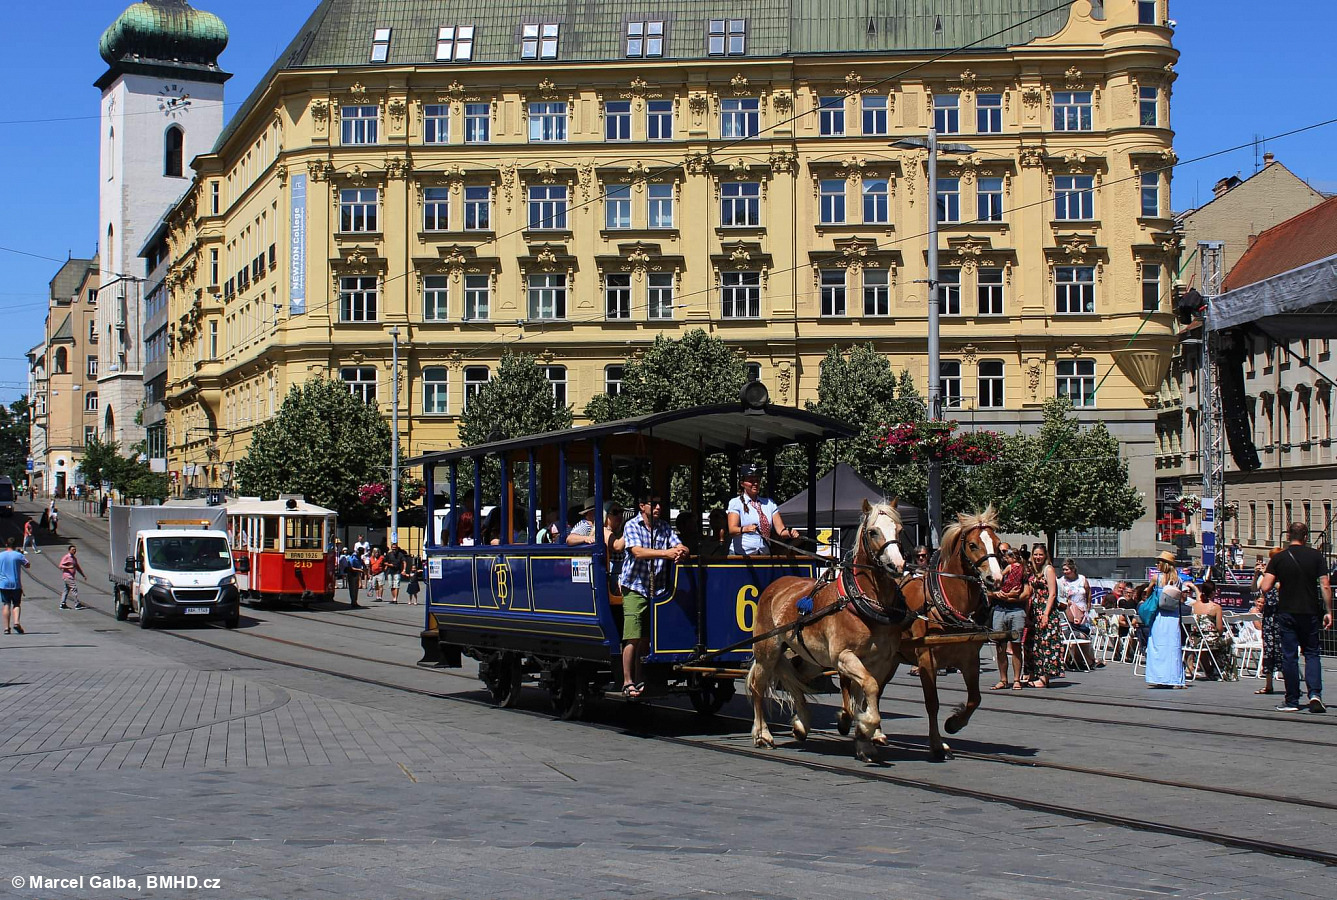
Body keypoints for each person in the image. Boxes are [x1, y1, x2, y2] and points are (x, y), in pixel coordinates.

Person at [1258, 522, 1333, 713]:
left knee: (1289, 656)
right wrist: (1328, 611)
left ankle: (1292, 699)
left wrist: (1278, 580)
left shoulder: (1279, 558)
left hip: (1287, 612)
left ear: (1288, 536)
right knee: (1312, 653)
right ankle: (1315, 694)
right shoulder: (1316, 556)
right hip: (1310, 611)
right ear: (1306, 537)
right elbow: (1325, 585)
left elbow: (1265, 586)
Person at [619, 493, 687, 699]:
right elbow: (638, 552)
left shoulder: (664, 527)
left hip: (657, 589)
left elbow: (679, 545)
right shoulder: (632, 525)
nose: (658, 507)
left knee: (647, 637)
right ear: (642, 506)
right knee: (632, 636)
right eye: (654, 504)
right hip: (635, 586)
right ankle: (627, 681)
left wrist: (682, 551)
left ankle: (642, 678)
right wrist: (666, 553)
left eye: (660, 504)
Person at [726, 466, 798, 555]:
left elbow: (781, 531)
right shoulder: (735, 502)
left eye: (757, 480)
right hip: (741, 555)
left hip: (763, 555)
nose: (755, 483)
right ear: (742, 483)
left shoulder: (770, 503)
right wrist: (745, 529)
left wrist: (790, 533)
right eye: (751, 481)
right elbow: (732, 530)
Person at [988, 544, 1029, 691]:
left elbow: (1026, 593)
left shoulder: (1023, 569)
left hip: (1016, 610)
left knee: (1016, 646)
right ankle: (1003, 679)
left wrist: (1010, 597)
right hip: (999, 610)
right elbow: (988, 590)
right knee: (1000, 647)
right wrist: (999, 594)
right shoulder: (993, 567)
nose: (1004, 555)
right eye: (1002, 552)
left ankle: (1016, 679)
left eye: (1006, 552)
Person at [1145, 550, 1186, 688]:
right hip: (1173, 616)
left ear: (1164, 564)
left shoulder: (1156, 578)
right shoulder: (1178, 580)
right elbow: (1182, 598)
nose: (1157, 565)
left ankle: (1159, 677)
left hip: (1159, 615)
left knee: (1157, 646)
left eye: (1159, 562)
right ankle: (1174, 678)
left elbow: (1147, 592)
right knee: (1173, 647)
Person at [1025, 545, 1063, 688]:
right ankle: (1034, 673)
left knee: (1046, 643)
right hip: (1035, 611)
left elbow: (1052, 593)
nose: (1037, 557)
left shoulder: (1048, 569)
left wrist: (1046, 614)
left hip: (1046, 611)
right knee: (1035, 643)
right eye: (1035, 554)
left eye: (1040, 554)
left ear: (1045, 555)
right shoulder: (1035, 571)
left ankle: (1044, 678)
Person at [1185, 580, 1233, 681]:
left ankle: (1209, 670)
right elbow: (1219, 629)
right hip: (1209, 639)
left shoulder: (1194, 606)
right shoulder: (1216, 607)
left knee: (1203, 646)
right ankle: (1222, 670)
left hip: (1194, 639)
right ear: (1213, 593)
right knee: (1227, 641)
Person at [1057, 558, 1100, 670]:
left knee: (1085, 633)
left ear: (1073, 569)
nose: (1065, 572)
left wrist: (1089, 605)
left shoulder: (1082, 579)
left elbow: (1088, 592)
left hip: (1082, 610)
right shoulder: (1061, 581)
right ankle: (1083, 660)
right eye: (1063, 569)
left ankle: (1079, 660)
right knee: (1077, 634)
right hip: (1069, 611)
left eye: (1067, 569)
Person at [1252, 549, 1283, 694]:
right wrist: (1256, 575)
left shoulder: (1282, 574)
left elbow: (1279, 587)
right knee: (1268, 649)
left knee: (1283, 649)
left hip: (1281, 615)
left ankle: (1290, 684)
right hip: (1269, 616)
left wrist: (1266, 574)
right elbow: (1255, 589)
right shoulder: (1268, 574)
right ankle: (1268, 684)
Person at [0, 536, 31, 634]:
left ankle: (6, 628)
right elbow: (27, 565)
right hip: (16, 584)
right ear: (15, 546)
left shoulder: (1, 555)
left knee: (6, 604)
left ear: (6, 545)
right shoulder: (18, 555)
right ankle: (16, 622)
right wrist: (21, 555)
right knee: (16, 604)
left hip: (4, 584)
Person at [57, 544, 88, 610]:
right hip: (67, 576)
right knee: (74, 588)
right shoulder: (66, 557)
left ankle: (62, 604)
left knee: (66, 590)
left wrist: (83, 575)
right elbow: (60, 566)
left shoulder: (74, 558)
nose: (74, 551)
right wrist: (68, 567)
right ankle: (77, 604)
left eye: (75, 550)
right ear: (69, 550)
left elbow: (77, 567)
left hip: (70, 576)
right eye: (73, 550)